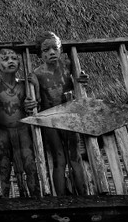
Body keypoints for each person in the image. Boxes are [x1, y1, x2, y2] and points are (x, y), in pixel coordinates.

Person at [30, 31, 89, 196]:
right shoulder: (38, 73)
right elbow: (38, 99)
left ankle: (83, 194)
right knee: (59, 158)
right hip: (50, 119)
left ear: (61, 49)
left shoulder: (69, 67)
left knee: (75, 156)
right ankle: (62, 197)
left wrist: (82, 78)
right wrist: (34, 88)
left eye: (55, 48)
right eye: (46, 50)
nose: (51, 52)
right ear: (40, 54)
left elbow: (78, 81)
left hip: (69, 115)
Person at [0, 48, 40, 198]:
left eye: (14, 58)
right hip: (2, 130)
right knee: (3, 166)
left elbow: (37, 104)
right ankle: (3, 200)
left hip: (23, 129)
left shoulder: (25, 86)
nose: (10, 61)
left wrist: (37, 90)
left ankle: (36, 198)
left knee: (30, 164)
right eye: (4, 59)